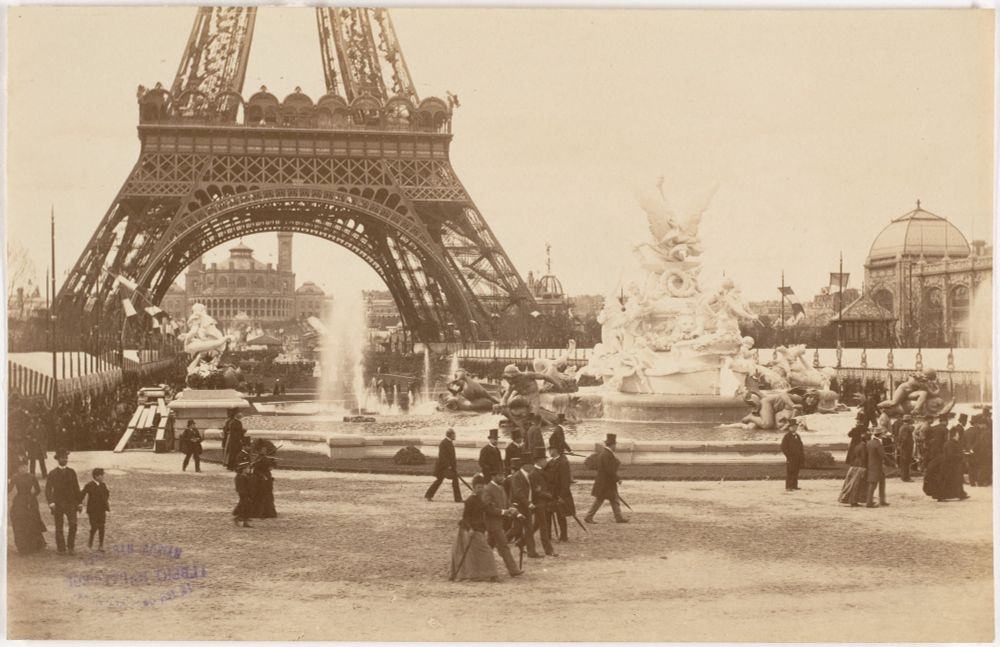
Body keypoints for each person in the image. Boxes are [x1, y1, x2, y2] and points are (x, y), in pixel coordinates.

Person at [450, 475, 499, 582]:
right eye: (478, 487)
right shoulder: (469, 501)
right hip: (469, 530)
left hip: (479, 529)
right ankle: (492, 575)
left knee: (476, 552)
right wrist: (470, 529)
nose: (481, 489)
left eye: (482, 487)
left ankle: (482, 574)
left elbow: (487, 509)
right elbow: (465, 517)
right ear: (474, 488)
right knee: (485, 551)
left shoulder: (481, 499)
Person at [481, 470, 522, 577]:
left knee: (489, 546)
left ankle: (478, 566)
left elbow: (507, 503)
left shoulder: (501, 488)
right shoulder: (488, 489)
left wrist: (514, 510)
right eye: (500, 475)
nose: (502, 477)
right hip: (492, 523)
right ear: (493, 476)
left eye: (503, 475)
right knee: (503, 546)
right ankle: (513, 570)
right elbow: (488, 508)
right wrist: (503, 512)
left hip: (499, 523)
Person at [45, 449, 82, 554]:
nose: (65, 459)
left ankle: (71, 547)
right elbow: (48, 489)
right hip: (58, 504)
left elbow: (76, 487)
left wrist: (79, 502)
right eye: (62, 458)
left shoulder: (72, 472)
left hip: (71, 503)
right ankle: (61, 548)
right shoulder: (52, 473)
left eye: (66, 458)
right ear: (58, 459)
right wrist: (51, 503)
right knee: (59, 526)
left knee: (73, 524)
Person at [585, 433, 627, 523]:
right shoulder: (607, 455)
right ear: (612, 445)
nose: (616, 446)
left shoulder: (606, 453)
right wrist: (617, 479)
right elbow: (610, 470)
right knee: (600, 500)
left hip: (606, 482)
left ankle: (618, 517)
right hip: (605, 482)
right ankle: (589, 517)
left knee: (614, 498)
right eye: (615, 444)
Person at [7, 462, 47, 554]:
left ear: (27, 467)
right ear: (18, 468)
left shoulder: (32, 477)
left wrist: (32, 497)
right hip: (19, 502)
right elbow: (9, 489)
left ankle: (36, 545)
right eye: (21, 467)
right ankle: (23, 546)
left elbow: (38, 490)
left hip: (31, 502)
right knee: (20, 522)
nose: (23, 469)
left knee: (33, 521)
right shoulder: (15, 477)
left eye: (25, 467)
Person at [509, 453, 542, 558]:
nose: (532, 466)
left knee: (528, 529)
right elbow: (518, 493)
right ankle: (499, 542)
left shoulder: (529, 475)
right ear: (525, 465)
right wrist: (529, 503)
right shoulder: (517, 476)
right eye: (531, 464)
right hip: (518, 506)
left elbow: (530, 490)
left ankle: (531, 552)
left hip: (526, 506)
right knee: (516, 529)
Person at [527, 447, 558, 557]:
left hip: (544, 502)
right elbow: (537, 491)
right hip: (539, 503)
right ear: (539, 461)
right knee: (544, 527)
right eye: (544, 460)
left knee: (536, 526)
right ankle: (549, 550)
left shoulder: (541, 471)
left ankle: (521, 541)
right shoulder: (533, 474)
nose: (545, 461)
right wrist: (548, 495)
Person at [544, 442, 574, 541]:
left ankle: (564, 536)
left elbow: (566, 481)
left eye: (551, 449)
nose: (549, 451)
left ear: (556, 450)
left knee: (561, 515)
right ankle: (547, 535)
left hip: (559, 493)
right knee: (547, 513)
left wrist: (562, 495)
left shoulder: (563, 462)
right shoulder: (551, 462)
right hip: (551, 493)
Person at [425, 429, 462, 502]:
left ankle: (428, 495)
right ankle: (458, 499)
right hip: (443, 467)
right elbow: (443, 456)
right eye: (454, 434)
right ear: (450, 435)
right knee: (454, 479)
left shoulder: (448, 442)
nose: (455, 436)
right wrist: (449, 466)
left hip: (445, 467)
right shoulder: (444, 443)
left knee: (439, 480)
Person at [79, 468, 110, 551]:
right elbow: (81, 495)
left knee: (102, 526)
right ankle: (90, 541)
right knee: (94, 526)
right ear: (96, 476)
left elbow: (107, 494)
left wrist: (104, 504)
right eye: (101, 475)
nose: (103, 477)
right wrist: (79, 503)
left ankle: (101, 544)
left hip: (101, 510)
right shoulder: (89, 485)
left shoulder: (103, 485)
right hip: (92, 510)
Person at [838, 431, 869, 506]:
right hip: (860, 466)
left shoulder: (857, 445)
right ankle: (853, 500)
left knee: (850, 483)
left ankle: (848, 499)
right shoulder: (864, 446)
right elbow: (864, 458)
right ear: (866, 440)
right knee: (856, 485)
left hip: (854, 465)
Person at [866, 431, 888, 508]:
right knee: (874, 484)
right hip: (877, 466)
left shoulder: (869, 442)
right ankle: (869, 502)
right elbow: (883, 456)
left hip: (871, 465)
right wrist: (892, 463)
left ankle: (882, 500)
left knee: (880, 482)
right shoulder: (878, 444)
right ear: (880, 435)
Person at [781, 419, 805, 492]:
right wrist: (788, 455)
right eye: (793, 427)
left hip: (797, 457)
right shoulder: (787, 436)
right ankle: (788, 486)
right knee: (790, 471)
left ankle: (794, 485)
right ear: (789, 427)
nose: (794, 428)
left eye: (795, 427)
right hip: (791, 457)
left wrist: (801, 456)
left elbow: (801, 446)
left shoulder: (797, 436)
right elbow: (783, 447)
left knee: (796, 471)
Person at [973, 414, 992, 486]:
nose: (979, 426)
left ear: (984, 424)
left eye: (980, 425)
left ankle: (982, 481)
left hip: (984, 453)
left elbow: (987, 444)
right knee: (983, 467)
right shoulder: (985, 432)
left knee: (983, 467)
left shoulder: (986, 433)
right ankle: (982, 481)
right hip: (983, 453)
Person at [897, 415, 915, 482]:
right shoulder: (906, 428)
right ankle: (906, 477)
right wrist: (902, 446)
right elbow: (904, 439)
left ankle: (903, 476)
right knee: (906, 462)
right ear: (909, 420)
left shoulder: (902, 427)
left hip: (904, 447)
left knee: (904, 462)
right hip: (906, 448)